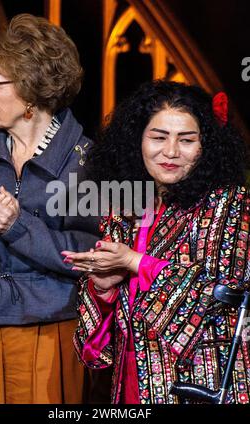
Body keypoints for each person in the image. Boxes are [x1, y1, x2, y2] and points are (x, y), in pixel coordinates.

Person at [62, 80, 250, 404]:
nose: (171, 151)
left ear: (206, 146)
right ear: (137, 140)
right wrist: (104, 289)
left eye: (187, 139)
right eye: (158, 137)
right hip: (131, 386)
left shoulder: (229, 203)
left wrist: (135, 262)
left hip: (199, 387)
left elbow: (221, 293)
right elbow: (98, 349)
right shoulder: (126, 210)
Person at [0, 13, 99, 404]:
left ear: (32, 90)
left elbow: (92, 256)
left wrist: (18, 227)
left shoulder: (86, 163)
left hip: (49, 329)